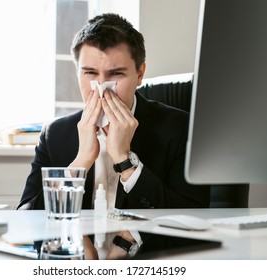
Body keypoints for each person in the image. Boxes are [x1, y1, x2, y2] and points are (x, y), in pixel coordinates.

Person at [18, 13, 210, 259]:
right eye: (90, 73)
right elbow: (26, 219)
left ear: (140, 74)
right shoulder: (55, 134)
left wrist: (125, 160)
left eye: (116, 74)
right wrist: (80, 164)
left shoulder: (179, 127)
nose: (101, 87)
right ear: (77, 72)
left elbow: (193, 222)